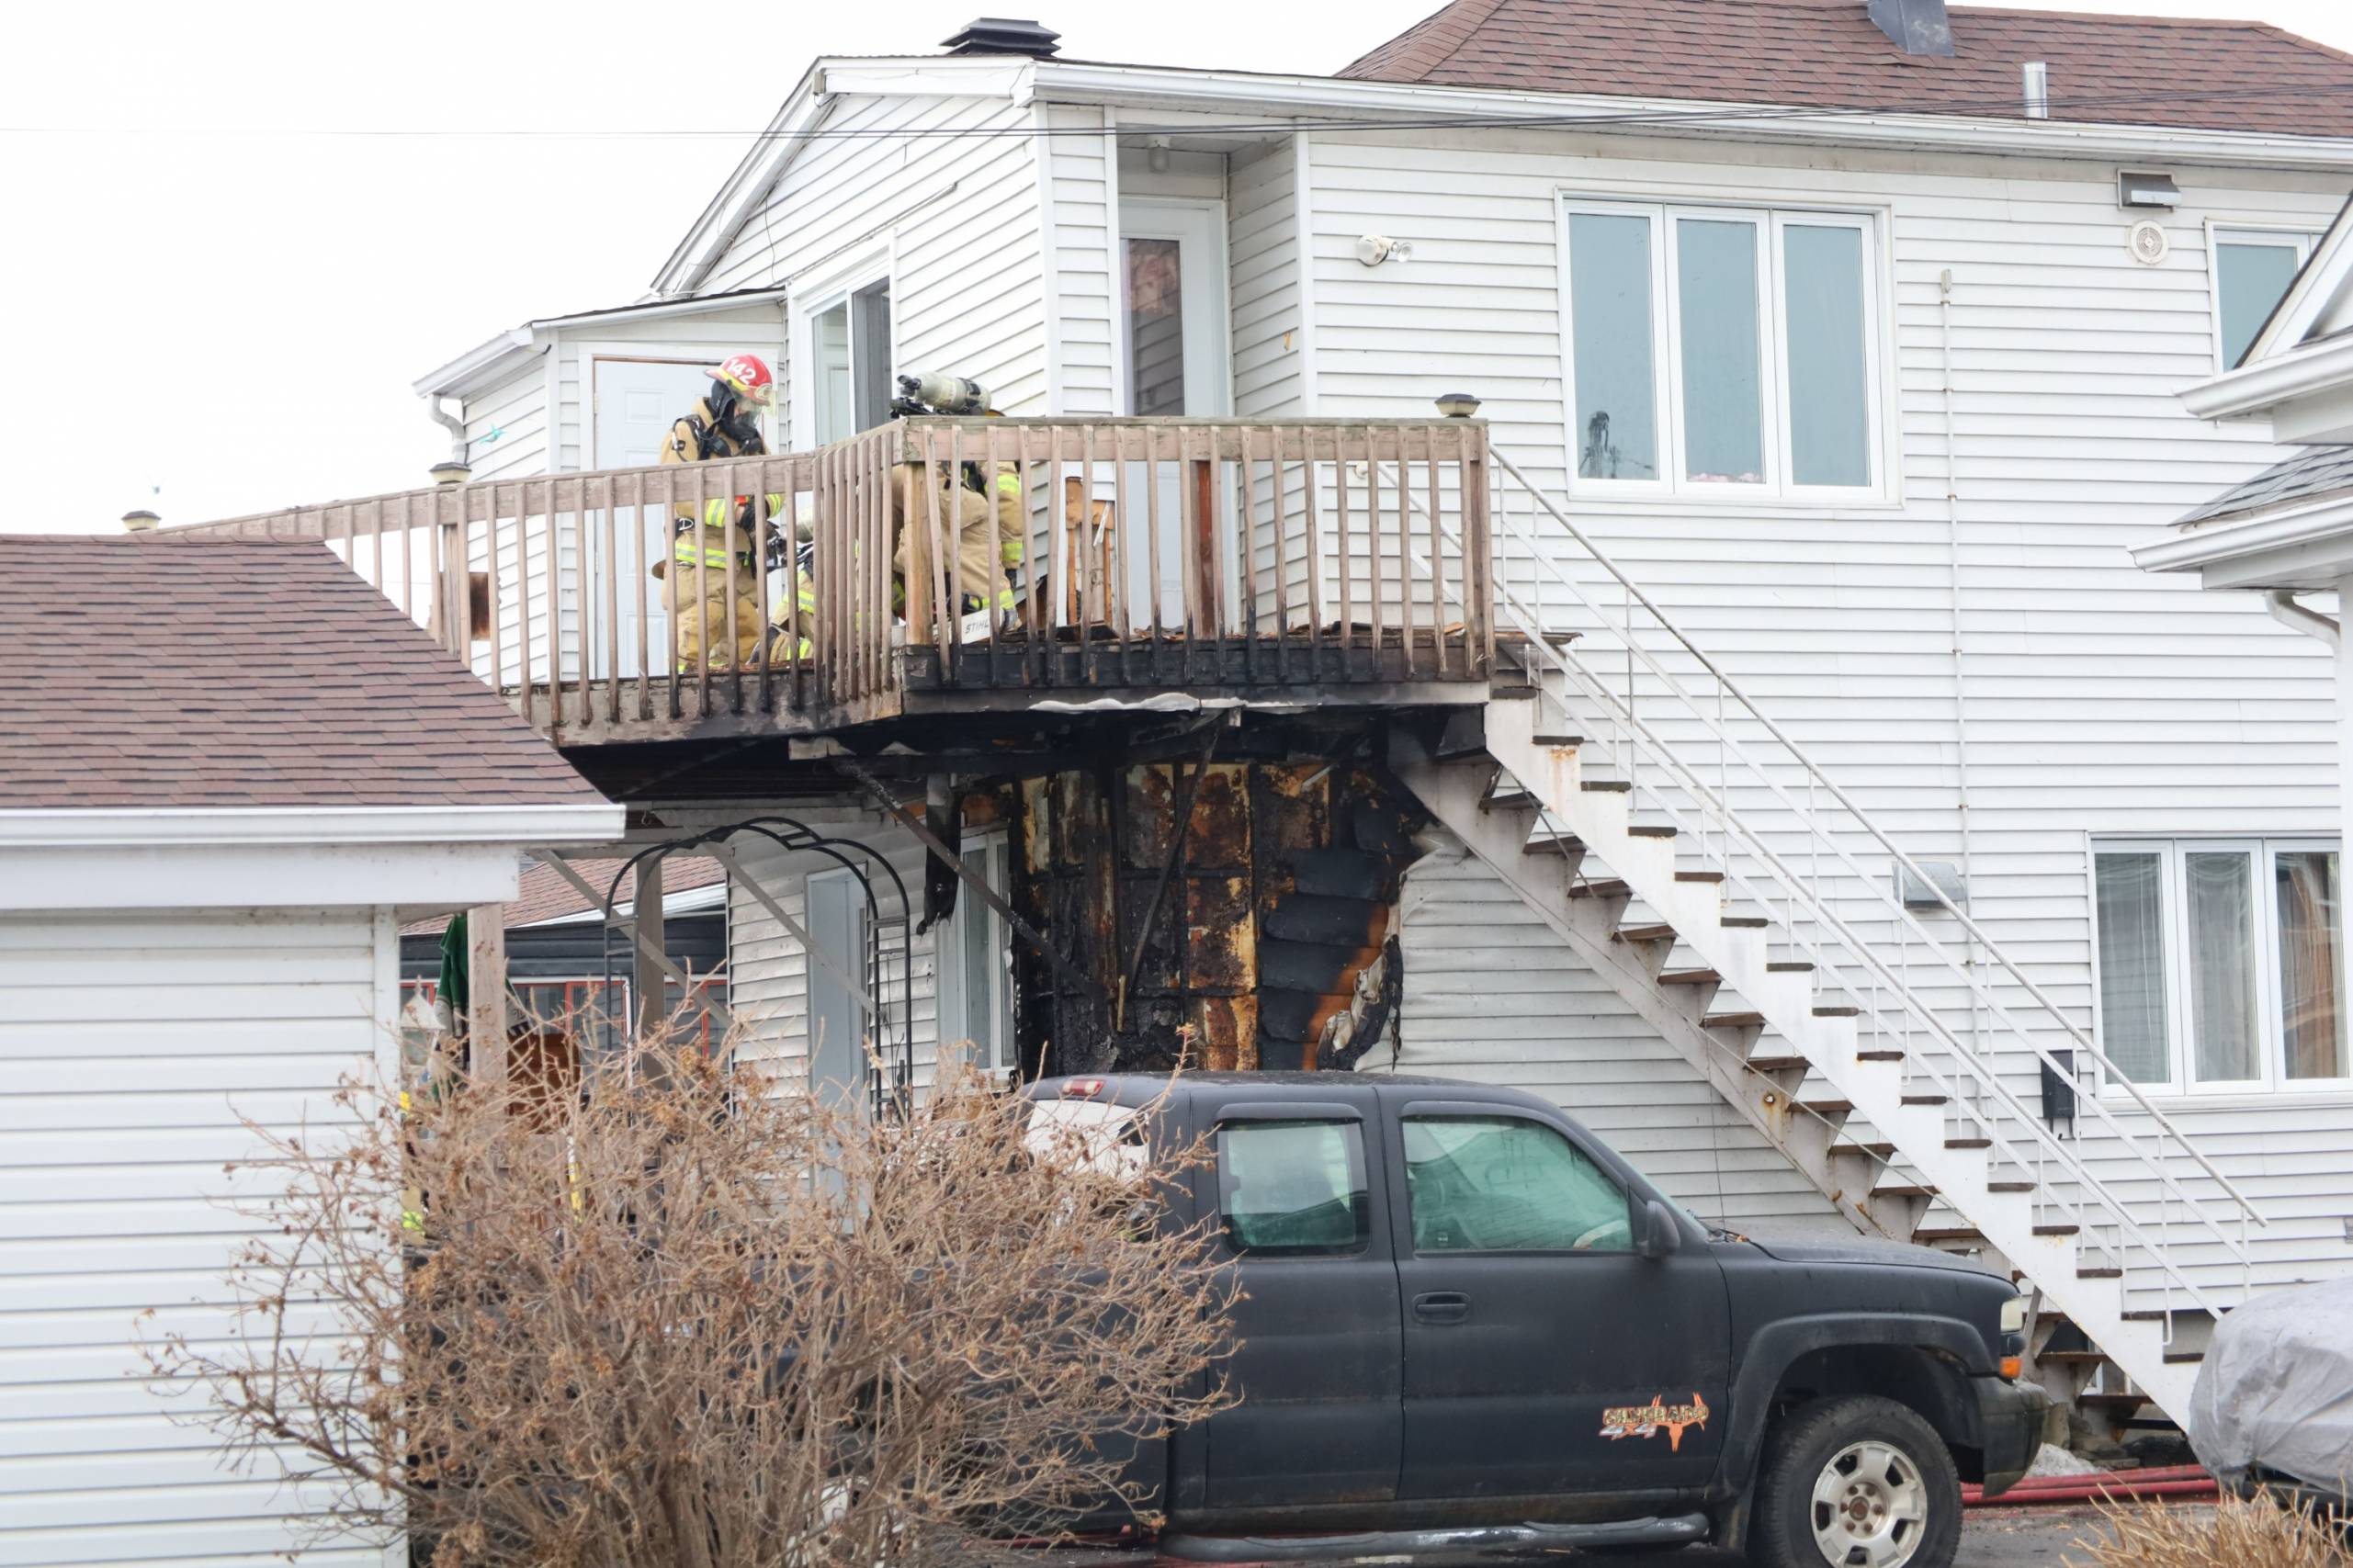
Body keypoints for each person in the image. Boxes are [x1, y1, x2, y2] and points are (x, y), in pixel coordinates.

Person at [653, 354, 786, 672]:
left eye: (754, 405)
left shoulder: (751, 440)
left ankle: (738, 701)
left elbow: (779, 482)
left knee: (745, 637)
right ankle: (686, 702)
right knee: (696, 636)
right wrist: (738, 514)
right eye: (743, 402)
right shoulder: (689, 432)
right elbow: (680, 493)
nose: (748, 412)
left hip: (742, 565)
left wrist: (763, 506)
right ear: (724, 395)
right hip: (700, 562)